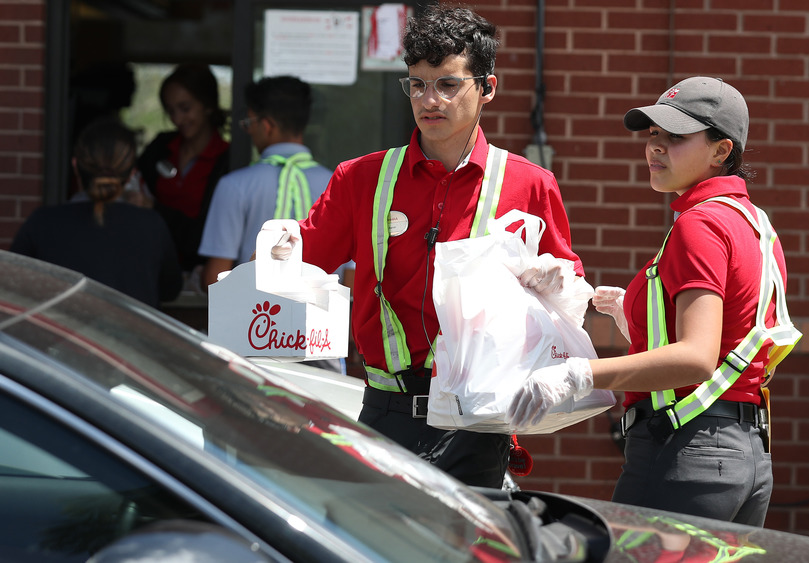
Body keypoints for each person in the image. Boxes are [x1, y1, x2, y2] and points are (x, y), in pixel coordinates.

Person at [261, 5, 583, 488]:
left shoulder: (529, 184)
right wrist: (275, 245)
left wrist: (560, 284)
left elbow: (568, 303)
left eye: (448, 84)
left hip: (478, 417)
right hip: (384, 409)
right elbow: (298, 261)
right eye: (417, 83)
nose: (430, 99)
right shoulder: (361, 178)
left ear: (488, 88)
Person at [505, 77, 801, 525]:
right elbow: (727, 340)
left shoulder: (699, 224)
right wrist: (636, 316)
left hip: (686, 449)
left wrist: (576, 374)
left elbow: (696, 357)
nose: (655, 148)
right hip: (744, 454)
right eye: (653, 135)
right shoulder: (753, 222)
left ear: (722, 151)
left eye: (676, 137)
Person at [11, 117, 182, 308]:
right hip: (130, 338)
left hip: (61, 336)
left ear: (75, 166)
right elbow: (170, 290)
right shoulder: (152, 225)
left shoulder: (42, 222)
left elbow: (12, 286)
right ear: (132, 174)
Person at [198, 75, 337, 292]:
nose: (249, 130)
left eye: (249, 123)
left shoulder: (234, 186)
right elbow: (351, 278)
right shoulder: (338, 184)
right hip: (321, 322)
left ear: (266, 125)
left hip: (254, 322)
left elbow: (215, 280)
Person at [137, 63, 230, 275]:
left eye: (185, 108)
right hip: (151, 266)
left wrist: (153, 208)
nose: (177, 119)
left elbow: (209, 233)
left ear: (207, 105)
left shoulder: (227, 161)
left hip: (198, 273)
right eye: (170, 111)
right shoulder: (160, 147)